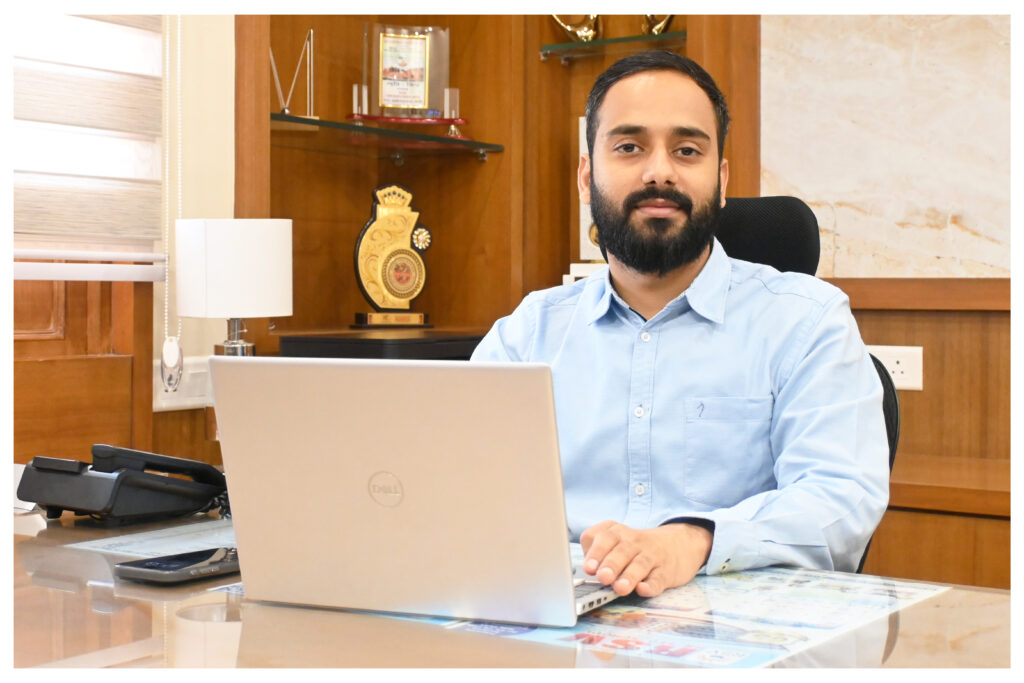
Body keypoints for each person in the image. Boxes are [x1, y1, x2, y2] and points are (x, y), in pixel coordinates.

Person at [471, 51, 889, 598]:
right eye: (629, 147)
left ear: (720, 180)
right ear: (586, 177)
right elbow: (459, 489)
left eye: (687, 150)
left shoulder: (806, 323)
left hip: (736, 628)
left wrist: (694, 540)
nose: (659, 171)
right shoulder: (527, 336)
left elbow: (840, 497)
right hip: (556, 619)